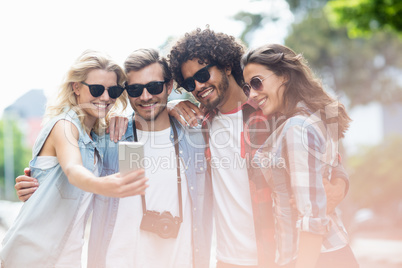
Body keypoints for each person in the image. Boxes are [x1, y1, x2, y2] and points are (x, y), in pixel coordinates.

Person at [168, 27, 350, 267]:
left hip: (283, 256)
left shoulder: (274, 111)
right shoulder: (199, 125)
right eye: (189, 83)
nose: (198, 86)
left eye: (203, 75)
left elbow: (328, 160)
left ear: (226, 65)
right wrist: (168, 105)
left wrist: (340, 184)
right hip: (229, 259)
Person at [14, 48, 212, 268]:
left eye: (154, 87)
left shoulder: (197, 135)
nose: (145, 96)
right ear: (126, 92)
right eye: (135, 89)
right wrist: (39, 182)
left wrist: (174, 104)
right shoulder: (111, 138)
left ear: (168, 86)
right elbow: (70, 168)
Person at [1, 50, 148, 267]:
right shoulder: (64, 125)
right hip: (32, 255)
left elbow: (149, 114)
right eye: (97, 89)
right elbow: (73, 169)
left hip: (67, 256)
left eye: (114, 90)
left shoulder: (98, 136)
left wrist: (172, 107)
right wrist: (101, 184)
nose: (106, 98)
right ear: (76, 87)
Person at [242, 43, 359, 268]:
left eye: (256, 83)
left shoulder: (298, 127)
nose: (252, 94)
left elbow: (312, 219)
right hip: (321, 253)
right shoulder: (306, 119)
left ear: (284, 76)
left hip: (316, 257)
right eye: (248, 88)